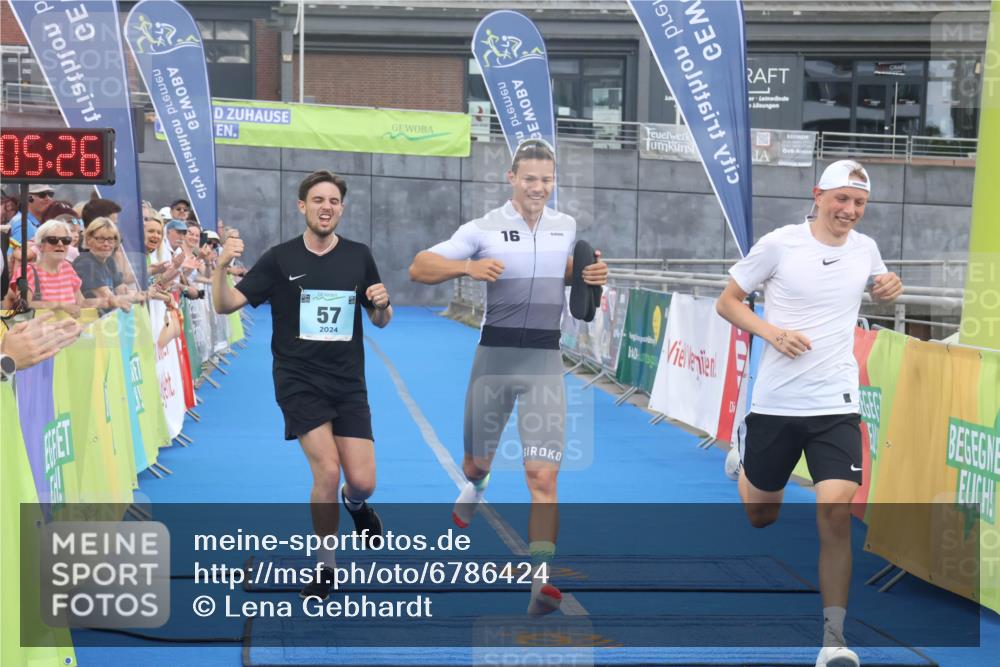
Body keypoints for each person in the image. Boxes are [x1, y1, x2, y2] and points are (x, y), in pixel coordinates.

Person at [714, 160, 903, 667]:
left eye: (860, 203)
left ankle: (834, 640)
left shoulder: (865, 248)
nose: (850, 211)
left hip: (836, 403)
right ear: (818, 195)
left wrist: (889, 287)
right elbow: (728, 302)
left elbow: (881, 284)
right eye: (842, 199)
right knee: (761, 515)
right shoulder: (780, 244)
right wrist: (772, 333)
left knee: (835, 513)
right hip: (777, 403)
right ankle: (742, 457)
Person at [408, 139, 608, 615]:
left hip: (544, 361)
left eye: (547, 180)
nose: (539, 188)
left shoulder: (565, 226)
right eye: (530, 179)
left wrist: (589, 274)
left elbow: (558, 271)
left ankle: (540, 583)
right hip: (494, 360)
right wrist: (468, 266)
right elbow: (419, 266)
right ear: (511, 178)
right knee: (475, 464)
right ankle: (477, 485)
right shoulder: (483, 228)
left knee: (543, 475)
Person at [212, 170, 392, 600]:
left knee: (362, 482)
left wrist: (383, 306)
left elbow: (379, 319)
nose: (326, 207)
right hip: (298, 380)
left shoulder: (359, 255)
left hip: (348, 382)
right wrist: (220, 268)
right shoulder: (280, 259)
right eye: (317, 200)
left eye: (333, 201)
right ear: (302, 206)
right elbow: (225, 304)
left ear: (341, 208)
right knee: (327, 470)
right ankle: (326, 566)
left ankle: (356, 505)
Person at [8, 220, 101, 318]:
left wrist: (104, 302)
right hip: (40, 326)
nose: (60, 244)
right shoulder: (28, 271)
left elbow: (80, 301)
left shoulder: (67, 268)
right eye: (53, 240)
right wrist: (60, 305)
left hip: (69, 326)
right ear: (40, 246)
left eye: (66, 240)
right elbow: (26, 303)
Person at [8, 184, 55, 250]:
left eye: (50, 194)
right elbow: (12, 254)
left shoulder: (29, 222)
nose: (48, 198)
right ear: (28, 198)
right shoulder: (22, 223)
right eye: (42, 195)